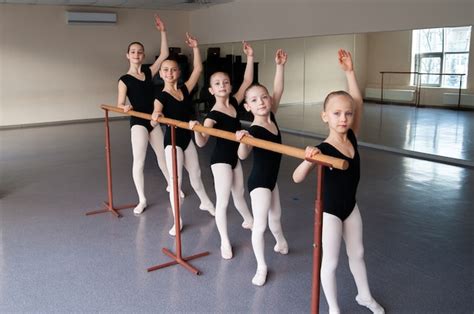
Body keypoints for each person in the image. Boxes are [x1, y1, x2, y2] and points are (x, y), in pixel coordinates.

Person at [292, 49, 384, 314]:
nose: (343, 118)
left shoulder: (352, 137)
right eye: (336, 114)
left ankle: (364, 296)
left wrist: (349, 72)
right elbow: (296, 178)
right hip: (330, 212)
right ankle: (333, 308)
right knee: (330, 263)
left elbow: (358, 102)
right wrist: (308, 159)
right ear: (325, 116)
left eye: (347, 114)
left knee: (357, 253)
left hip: (350, 207)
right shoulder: (323, 148)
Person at [189, 41, 255, 260]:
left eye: (225, 82)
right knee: (223, 201)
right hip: (220, 161)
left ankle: (249, 221)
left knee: (239, 194)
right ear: (211, 90)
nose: (223, 85)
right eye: (217, 83)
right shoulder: (213, 115)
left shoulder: (235, 104)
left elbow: (247, 81)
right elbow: (201, 143)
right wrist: (196, 130)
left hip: (234, 158)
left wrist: (251, 57)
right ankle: (225, 241)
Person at [152, 33, 215, 236]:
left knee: (196, 175)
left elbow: (198, 69)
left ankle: (205, 202)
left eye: (173, 70)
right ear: (160, 74)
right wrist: (157, 116)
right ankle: (177, 219)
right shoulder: (161, 96)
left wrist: (196, 47)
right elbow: (155, 116)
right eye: (165, 70)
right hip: (171, 142)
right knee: (176, 181)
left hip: (186, 139)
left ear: (178, 72)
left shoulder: (185, 90)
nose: (169, 73)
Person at [235, 49, 288, 286]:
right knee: (261, 225)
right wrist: (242, 140)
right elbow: (242, 155)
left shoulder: (272, 117)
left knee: (276, 219)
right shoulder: (254, 131)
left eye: (264, 97)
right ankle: (261, 266)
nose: (262, 102)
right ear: (247, 107)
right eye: (254, 100)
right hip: (258, 183)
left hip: (271, 180)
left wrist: (279, 66)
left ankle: (281, 242)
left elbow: (278, 89)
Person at [117, 15, 176, 216]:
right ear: (127, 55)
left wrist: (163, 31)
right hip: (138, 123)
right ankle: (142, 199)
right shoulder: (124, 80)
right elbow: (119, 104)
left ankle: (172, 186)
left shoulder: (149, 73)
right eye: (133, 52)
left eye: (140, 52)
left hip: (153, 120)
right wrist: (124, 107)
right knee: (139, 161)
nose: (136, 54)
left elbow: (164, 54)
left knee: (163, 156)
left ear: (142, 56)